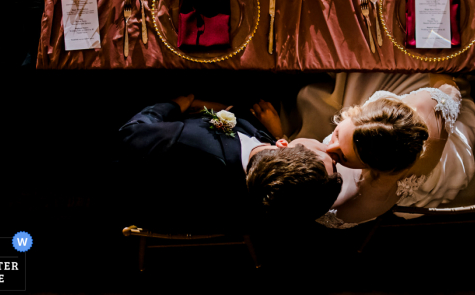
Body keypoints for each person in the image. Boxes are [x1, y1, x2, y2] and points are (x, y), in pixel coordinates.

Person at [255, 72, 475, 229]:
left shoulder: (304, 200)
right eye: (338, 159)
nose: (330, 148)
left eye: (336, 134)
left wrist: (280, 137)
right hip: (434, 150)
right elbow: (448, 92)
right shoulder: (427, 125)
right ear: (372, 166)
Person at [117, 94, 342, 233]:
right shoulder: (276, 195)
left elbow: (130, 133)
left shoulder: (187, 143)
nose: (332, 151)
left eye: (327, 157)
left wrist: (176, 105)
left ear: (284, 144)